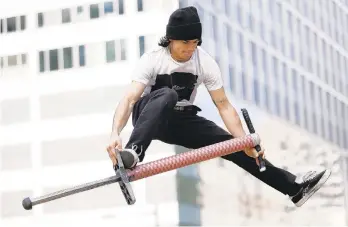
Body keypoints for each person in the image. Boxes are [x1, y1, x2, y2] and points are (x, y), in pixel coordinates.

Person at [106, 6, 331, 207]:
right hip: (149, 115)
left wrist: (245, 142)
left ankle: (294, 188)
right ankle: (133, 154)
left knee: (233, 147)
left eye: (195, 43)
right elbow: (129, 99)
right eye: (185, 43)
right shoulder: (153, 59)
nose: (190, 49)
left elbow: (223, 105)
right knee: (167, 94)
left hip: (181, 121)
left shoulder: (205, 62)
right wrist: (115, 132)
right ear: (171, 39)